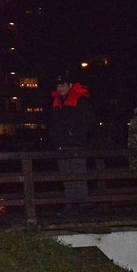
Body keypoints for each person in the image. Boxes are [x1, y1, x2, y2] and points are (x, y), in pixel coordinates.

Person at [49, 74, 96, 205]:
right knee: (65, 174)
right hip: (61, 145)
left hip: (77, 144)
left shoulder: (80, 100)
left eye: (63, 85)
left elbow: (89, 120)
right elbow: (53, 123)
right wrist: (55, 139)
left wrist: (75, 133)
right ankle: (70, 202)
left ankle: (82, 202)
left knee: (79, 173)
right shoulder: (56, 102)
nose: (60, 88)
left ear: (70, 86)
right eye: (58, 85)